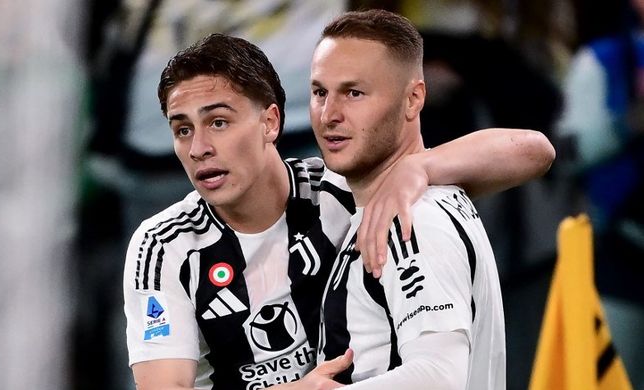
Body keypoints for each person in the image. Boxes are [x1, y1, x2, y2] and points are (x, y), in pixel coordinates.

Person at [123, 33, 554, 390]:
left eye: (219, 122)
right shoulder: (164, 246)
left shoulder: (339, 192)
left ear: (271, 123)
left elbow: (535, 151)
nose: (199, 149)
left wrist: (420, 165)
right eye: (182, 130)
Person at [310, 10, 516, 389]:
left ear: (413, 99)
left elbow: (440, 376)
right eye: (320, 92)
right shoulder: (410, 195)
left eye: (354, 93)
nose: (329, 115)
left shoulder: (411, 219)